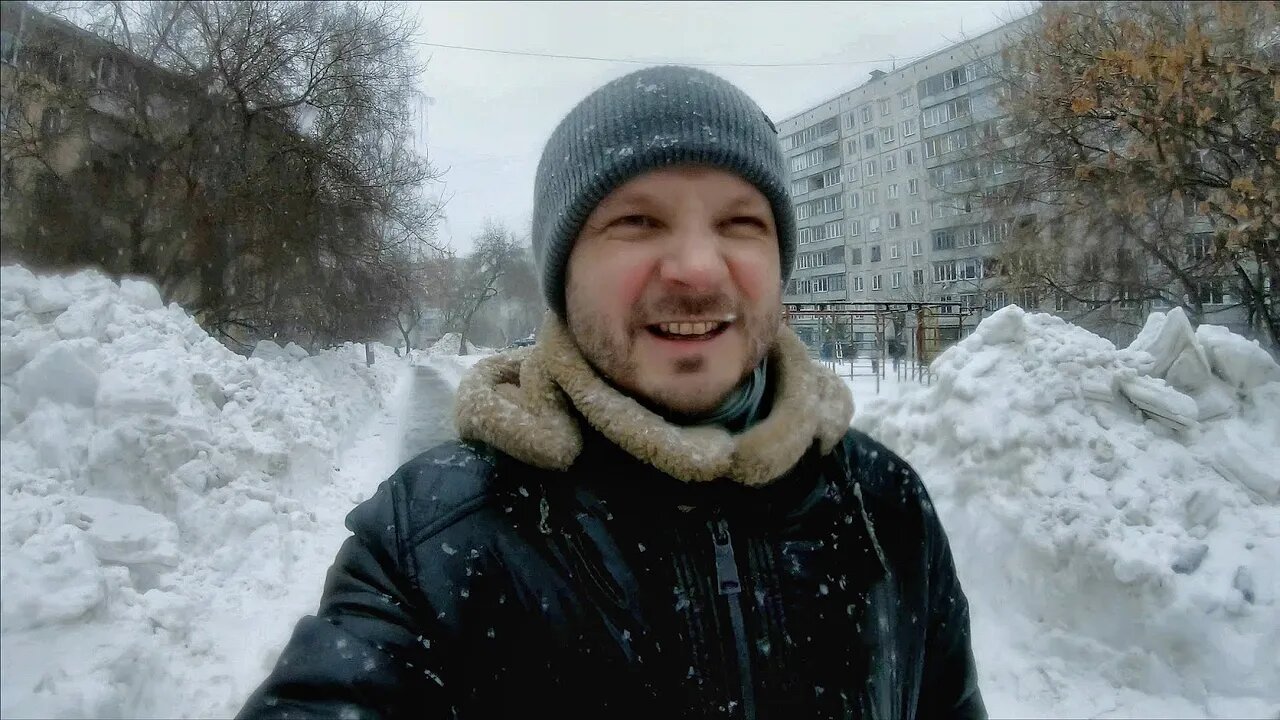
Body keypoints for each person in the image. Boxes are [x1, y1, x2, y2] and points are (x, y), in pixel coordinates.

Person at [237, 65, 985, 720]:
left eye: (741, 222)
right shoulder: (431, 543)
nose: (698, 269)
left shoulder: (884, 507)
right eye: (636, 221)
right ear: (562, 276)